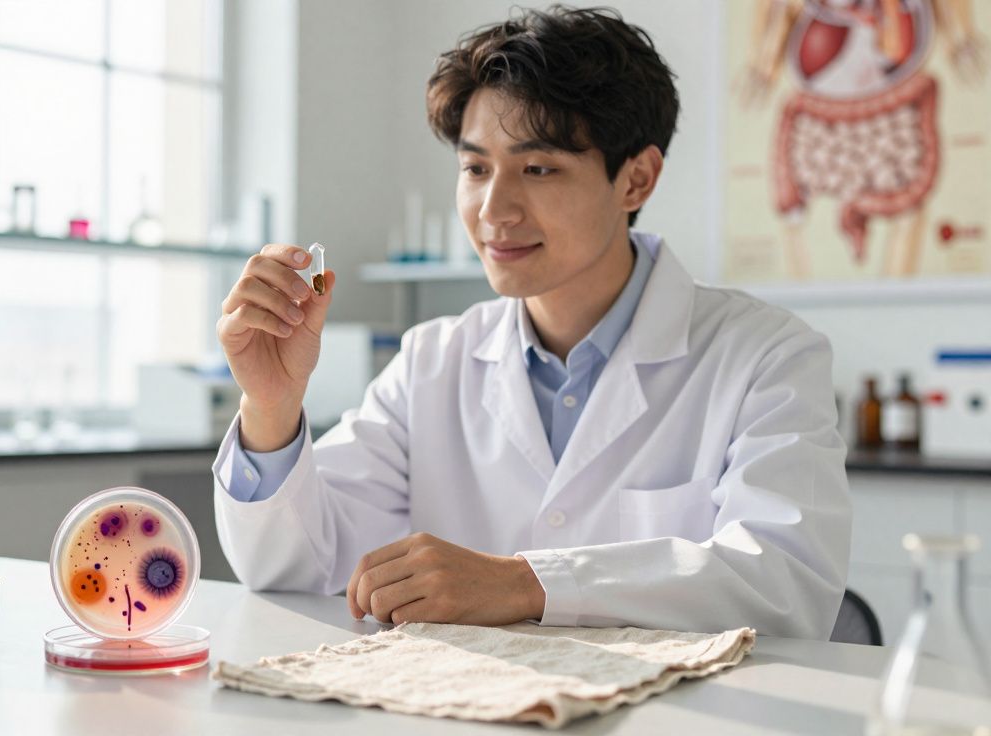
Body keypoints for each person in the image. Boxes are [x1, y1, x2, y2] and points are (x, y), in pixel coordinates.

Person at [211, 5, 850, 639]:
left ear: (637, 180)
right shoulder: (433, 360)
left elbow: (784, 584)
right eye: (475, 168)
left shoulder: (767, 357)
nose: (495, 209)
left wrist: (524, 582)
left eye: (538, 169)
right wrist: (271, 405)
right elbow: (296, 569)